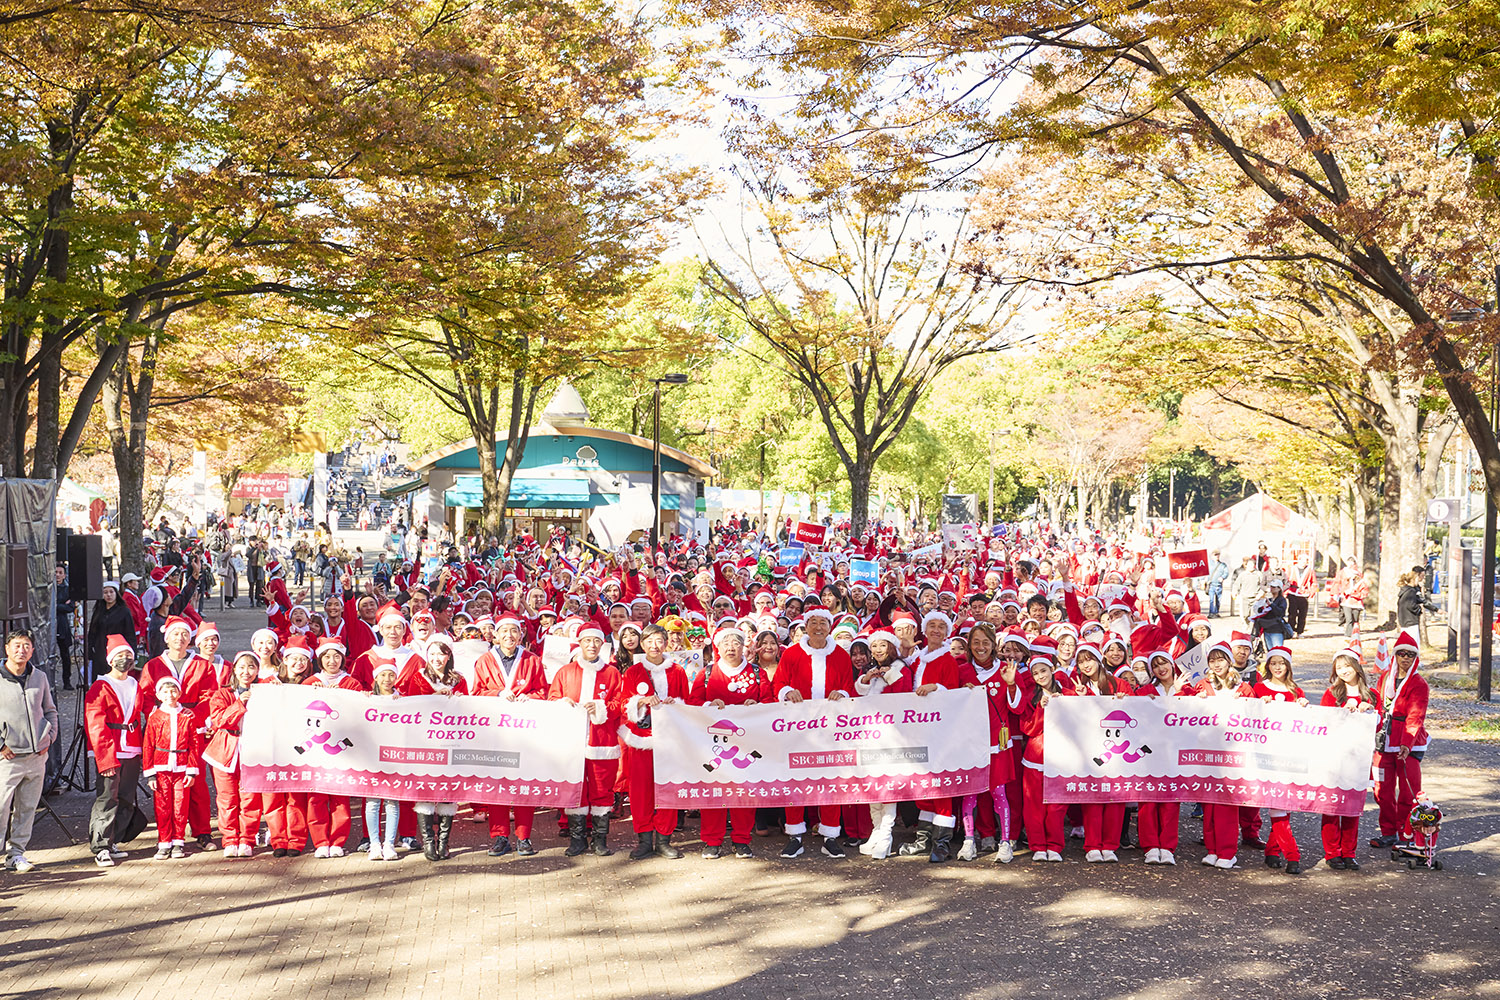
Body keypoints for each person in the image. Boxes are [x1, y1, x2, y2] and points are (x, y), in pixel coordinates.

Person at [774, 608, 854, 859]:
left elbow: (849, 688)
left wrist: (842, 694)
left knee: (831, 780)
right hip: (797, 728)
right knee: (795, 779)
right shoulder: (792, 654)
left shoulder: (841, 655)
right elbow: (778, 683)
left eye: (823, 623)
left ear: (830, 626)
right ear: (805, 626)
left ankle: (830, 835)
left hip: (831, 730)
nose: (818, 627)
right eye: (813, 623)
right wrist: (787, 690)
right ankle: (795, 835)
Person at [548, 626, 623, 859]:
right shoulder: (565, 671)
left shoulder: (612, 674)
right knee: (575, 788)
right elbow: (553, 698)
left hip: (602, 741)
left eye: (596, 641)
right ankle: (577, 839)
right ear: (579, 643)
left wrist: (601, 708)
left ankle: (599, 840)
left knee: (602, 790)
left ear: (602, 645)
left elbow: (620, 703)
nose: (591, 645)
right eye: (587, 640)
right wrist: (564, 704)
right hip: (573, 741)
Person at [620, 624, 691, 860]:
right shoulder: (633, 672)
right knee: (641, 792)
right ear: (642, 644)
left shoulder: (678, 671)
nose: (654, 645)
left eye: (659, 640)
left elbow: (688, 704)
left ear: (666, 642)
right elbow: (624, 705)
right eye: (649, 641)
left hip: (670, 740)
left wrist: (676, 703)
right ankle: (643, 840)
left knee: (667, 788)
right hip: (642, 740)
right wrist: (640, 702)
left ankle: (664, 840)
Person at [84, 635, 151, 866]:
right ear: (111, 659)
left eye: (129, 656)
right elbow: (95, 725)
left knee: (126, 797)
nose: (125, 660)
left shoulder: (135, 684)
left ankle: (114, 839)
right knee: (106, 798)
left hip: (131, 748)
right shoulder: (100, 686)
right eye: (120, 656)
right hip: (110, 750)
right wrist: (104, 759)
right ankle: (100, 845)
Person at [0, 631, 58, 872]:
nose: (21, 650)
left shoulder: (40, 677)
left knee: (27, 808)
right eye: (16, 645)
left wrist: (50, 737)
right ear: (6, 649)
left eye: (26, 646)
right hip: (7, 757)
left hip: (37, 757)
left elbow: (50, 710)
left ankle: (16, 854)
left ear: (33, 650)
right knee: (1, 808)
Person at [1250, 646, 1308, 874]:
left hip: (1290, 755)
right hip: (1266, 755)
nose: (1277, 667)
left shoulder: (1297, 692)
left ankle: (1273, 851)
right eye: (1273, 663)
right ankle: (1293, 855)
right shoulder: (1259, 688)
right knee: (1278, 807)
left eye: (1281, 663)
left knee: (1285, 805)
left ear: (1288, 666)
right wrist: (1258, 705)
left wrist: (1304, 707)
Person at [1321, 648, 1379, 870]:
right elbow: (1324, 724)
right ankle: (1332, 852)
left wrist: (1371, 711)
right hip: (1335, 757)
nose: (1344, 671)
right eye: (1339, 668)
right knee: (1332, 805)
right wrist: (1343, 712)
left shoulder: (1371, 694)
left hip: (1360, 759)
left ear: (1356, 666)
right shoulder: (1332, 694)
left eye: (1347, 666)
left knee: (1352, 806)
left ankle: (1349, 852)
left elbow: (1380, 726)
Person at [1371, 630, 1428, 849]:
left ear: (1415, 658)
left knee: (1408, 791)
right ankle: (1388, 832)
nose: (1405, 658)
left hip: (1408, 743)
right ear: (1395, 655)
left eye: (1410, 655)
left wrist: (1406, 743)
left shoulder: (1419, 683)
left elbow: (1416, 715)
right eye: (1401, 653)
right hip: (1383, 740)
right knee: (1381, 789)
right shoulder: (1385, 678)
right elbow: (1377, 703)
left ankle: (1407, 834)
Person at [204, 652, 262, 857]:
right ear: (234, 669)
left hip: (253, 749)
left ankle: (247, 839)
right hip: (224, 749)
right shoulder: (222, 694)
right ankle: (229, 839)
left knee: (250, 797)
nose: (246, 672)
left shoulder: (264, 691)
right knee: (227, 798)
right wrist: (240, 703)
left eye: (252, 667)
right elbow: (219, 720)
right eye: (242, 667)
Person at [141, 676, 203, 859]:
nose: (170, 695)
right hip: (161, 767)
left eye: (173, 690)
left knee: (180, 805)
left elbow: (193, 744)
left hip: (182, 767)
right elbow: (148, 745)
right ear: (159, 695)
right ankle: (164, 842)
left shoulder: (187, 716)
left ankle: (178, 841)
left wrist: (192, 770)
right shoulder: (155, 717)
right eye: (166, 692)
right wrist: (150, 773)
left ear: (180, 693)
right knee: (162, 805)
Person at [364, 662, 403, 861]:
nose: (387, 679)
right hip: (372, 756)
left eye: (391, 675)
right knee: (372, 801)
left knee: (392, 801)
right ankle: (374, 843)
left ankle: (389, 843)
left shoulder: (403, 700)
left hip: (394, 757)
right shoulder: (367, 699)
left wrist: (401, 703)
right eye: (383, 675)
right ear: (376, 678)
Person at [87, 580, 137, 681]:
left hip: (118, 651)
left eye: (111, 592)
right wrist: (89, 653)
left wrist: (132, 655)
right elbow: (92, 632)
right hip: (100, 651)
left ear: (116, 594)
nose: (108, 595)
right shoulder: (98, 611)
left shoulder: (124, 611)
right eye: (105, 593)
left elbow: (130, 634)